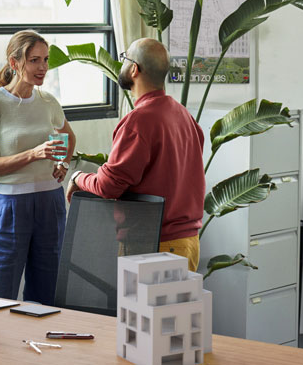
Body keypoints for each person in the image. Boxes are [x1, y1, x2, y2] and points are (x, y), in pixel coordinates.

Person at [67, 38, 205, 272]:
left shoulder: (139, 121)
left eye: (125, 58)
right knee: (174, 311)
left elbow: (109, 185)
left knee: (140, 310)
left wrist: (77, 178)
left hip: (154, 246)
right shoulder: (182, 114)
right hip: (187, 244)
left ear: (134, 69)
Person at [0, 29, 76, 303]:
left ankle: (42, 343)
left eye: (45, 59)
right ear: (14, 63)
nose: (43, 67)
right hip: (10, 205)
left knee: (47, 291)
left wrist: (63, 163)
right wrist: (33, 154)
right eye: (34, 60)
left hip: (50, 202)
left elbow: (69, 137)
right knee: (1, 290)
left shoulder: (48, 102)